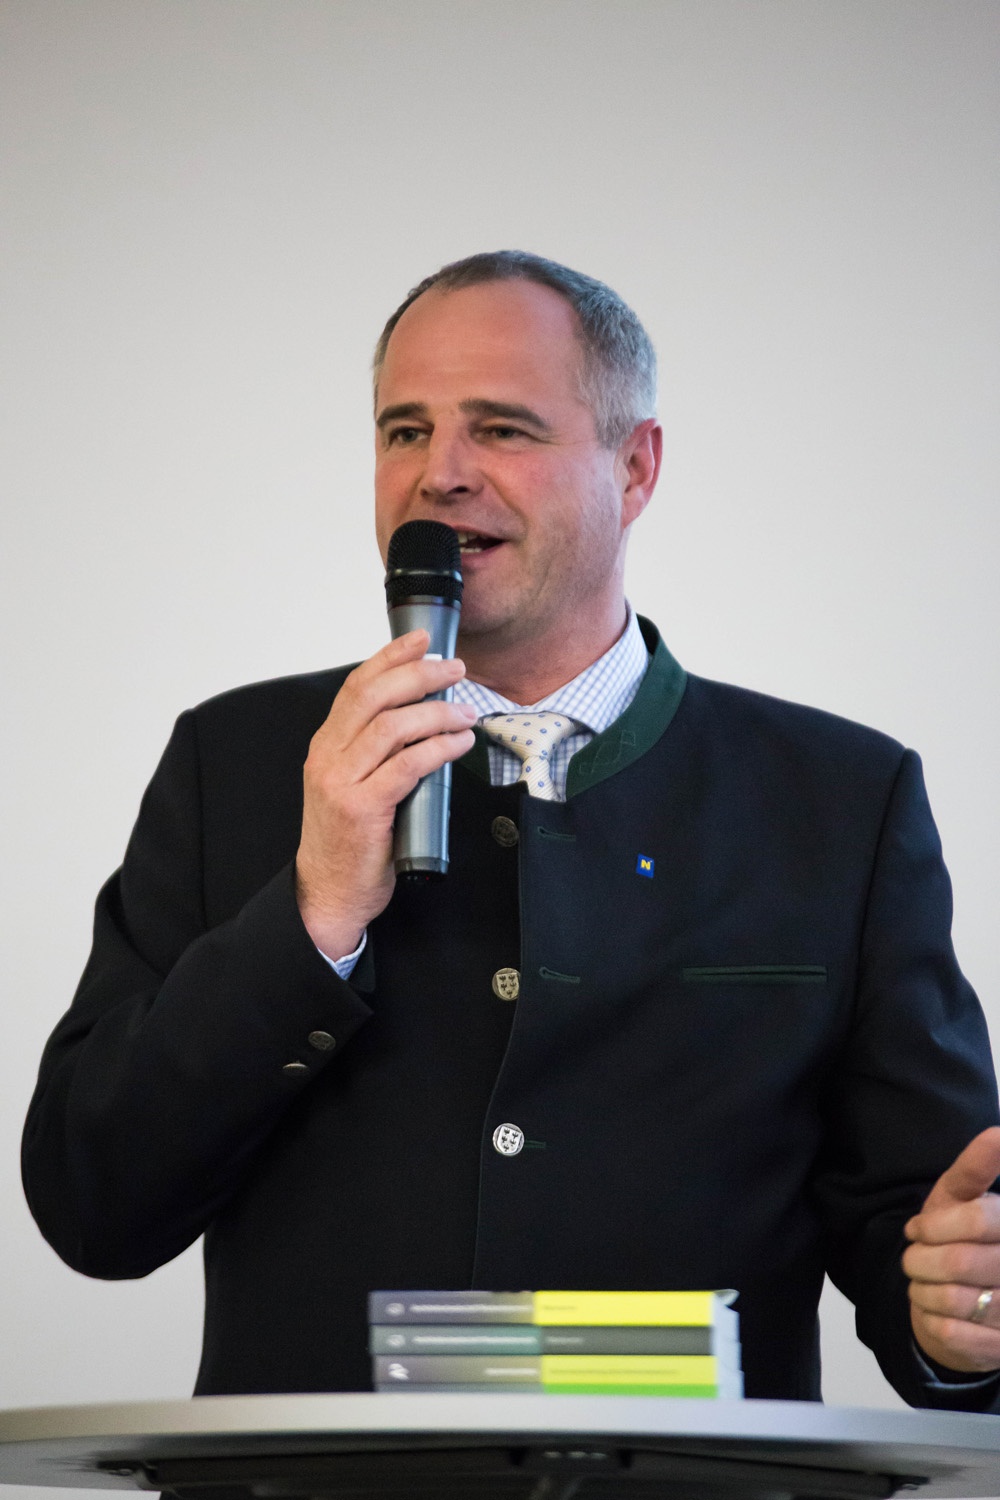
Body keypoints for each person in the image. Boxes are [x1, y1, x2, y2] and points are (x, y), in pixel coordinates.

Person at [21, 251, 1000, 1407]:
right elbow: (94, 1205)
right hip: (317, 1487)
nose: (439, 473)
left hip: (688, 1483)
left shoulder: (838, 799)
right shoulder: (233, 761)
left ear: (634, 466)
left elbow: (928, 1238)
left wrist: (962, 1320)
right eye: (404, 430)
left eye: (500, 429)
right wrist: (311, 916)